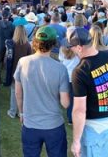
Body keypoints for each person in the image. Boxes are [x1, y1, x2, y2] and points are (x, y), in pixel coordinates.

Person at [68, 26, 108, 157]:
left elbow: (79, 110)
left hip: (96, 128)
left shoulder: (80, 71)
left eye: (71, 47)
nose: (71, 50)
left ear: (79, 47)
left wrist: (76, 141)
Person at [14, 25, 70, 157]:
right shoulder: (60, 69)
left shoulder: (23, 62)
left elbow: (18, 92)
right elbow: (65, 103)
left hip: (30, 125)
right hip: (54, 126)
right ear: (53, 44)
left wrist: (21, 113)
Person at [7, 24, 32, 119]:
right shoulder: (27, 45)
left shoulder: (11, 44)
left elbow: (7, 58)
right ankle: (20, 112)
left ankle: (13, 111)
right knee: (23, 92)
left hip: (13, 70)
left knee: (14, 92)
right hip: (24, 72)